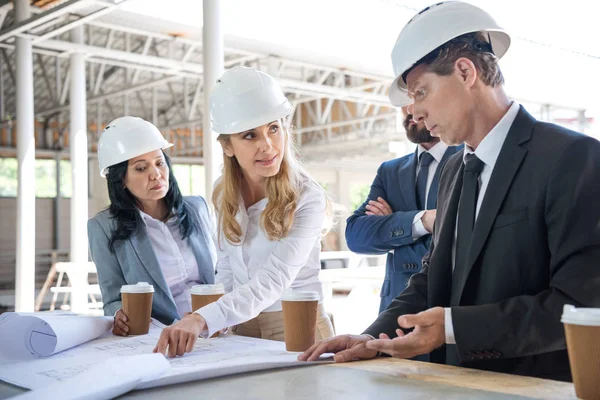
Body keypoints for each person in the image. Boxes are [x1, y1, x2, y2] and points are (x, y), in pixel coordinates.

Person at [299, 1, 600, 382]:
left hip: (533, 387)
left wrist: (455, 327)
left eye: (421, 92)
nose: (414, 114)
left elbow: (581, 304)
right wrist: (372, 337)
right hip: (455, 385)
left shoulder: (571, 158)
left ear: (464, 71)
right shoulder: (454, 169)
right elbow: (432, 277)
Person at [154, 67, 335, 357]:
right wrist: (220, 317)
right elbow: (227, 264)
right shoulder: (223, 192)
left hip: (297, 327)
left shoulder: (306, 196)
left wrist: (203, 318)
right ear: (227, 145)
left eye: (274, 129)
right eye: (250, 135)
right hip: (241, 326)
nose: (268, 146)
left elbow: (274, 280)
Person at [88, 116, 216, 336]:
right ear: (120, 180)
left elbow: (221, 271)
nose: (156, 174)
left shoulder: (198, 208)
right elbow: (112, 300)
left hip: (213, 328)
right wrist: (119, 315)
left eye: (159, 163)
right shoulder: (103, 227)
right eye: (140, 168)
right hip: (160, 336)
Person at [346, 106, 460, 312]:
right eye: (402, 104)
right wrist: (423, 221)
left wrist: (393, 234)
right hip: (394, 309)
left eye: (417, 97)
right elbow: (355, 236)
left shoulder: (468, 159)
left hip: (448, 308)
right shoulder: (389, 171)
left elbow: (462, 239)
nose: (409, 109)